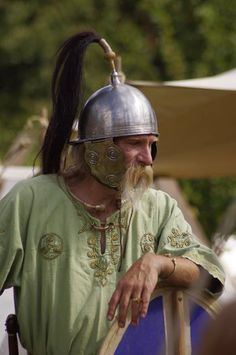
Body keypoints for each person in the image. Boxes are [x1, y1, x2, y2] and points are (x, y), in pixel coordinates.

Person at [0, 31, 224, 355]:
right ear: (98, 149)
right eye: (135, 144)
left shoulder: (157, 207)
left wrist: (157, 263)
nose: (148, 158)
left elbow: (209, 274)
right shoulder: (31, 202)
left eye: (152, 144)